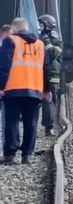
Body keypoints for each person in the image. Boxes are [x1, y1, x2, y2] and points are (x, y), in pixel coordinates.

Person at [0, 18, 48, 164]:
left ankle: (10, 155)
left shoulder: (10, 40)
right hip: (34, 89)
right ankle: (27, 155)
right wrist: (47, 89)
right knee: (31, 122)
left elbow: (4, 65)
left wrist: (1, 86)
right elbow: (46, 68)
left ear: (14, 28)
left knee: (12, 122)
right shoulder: (40, 44)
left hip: (13, 89)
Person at [38, 14, 63, 137]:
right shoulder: (37, 37)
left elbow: (53, 54)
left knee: (50, 100)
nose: (39, 27)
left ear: (47, 26)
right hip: (38, 72)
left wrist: (46, 40)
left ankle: (49, 127)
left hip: (51, 74)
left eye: (41, 24)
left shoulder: (56, 40)